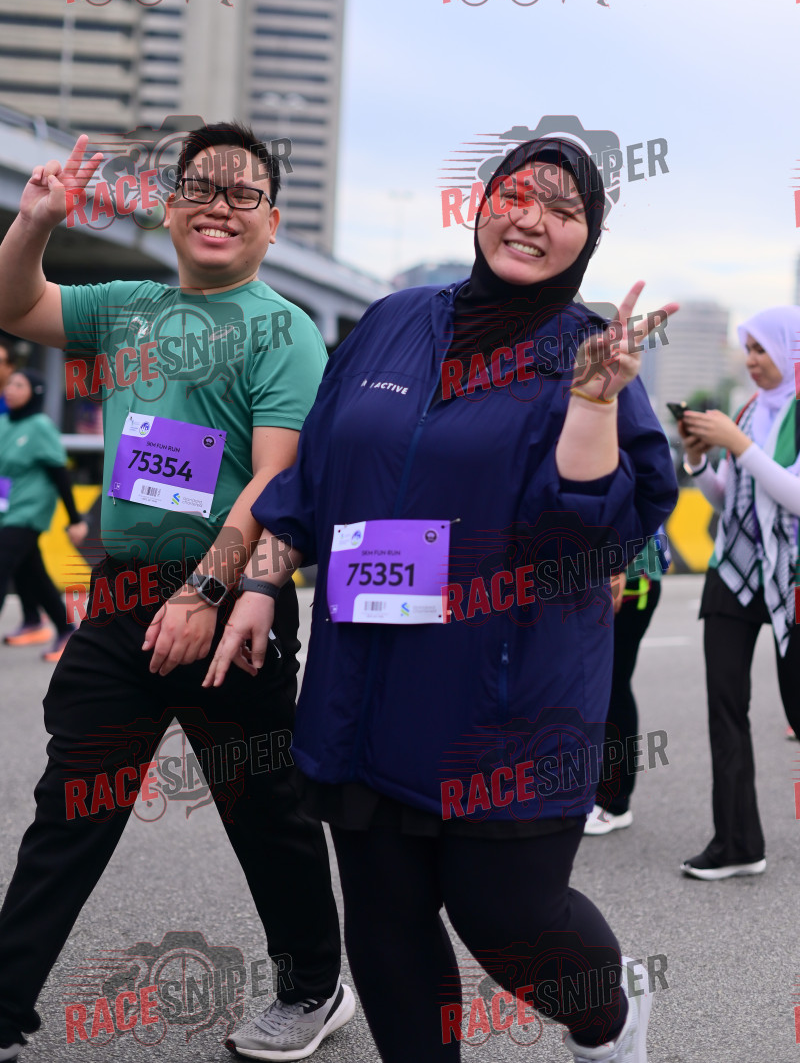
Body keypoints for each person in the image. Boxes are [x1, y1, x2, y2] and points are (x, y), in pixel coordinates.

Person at [206, 138, 679, 1063]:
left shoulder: (588, 351)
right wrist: (262, 578)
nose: (533, 220)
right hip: (365, 686)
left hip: (508, 698)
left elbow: (590, 542)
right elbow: (314, 476)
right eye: (517, 195)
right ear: (482, 205)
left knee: (510, 919)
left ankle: (608, 1017)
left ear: (587, 239)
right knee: (386, 923)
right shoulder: (392, 321)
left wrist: (591, 404)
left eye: (564, 209)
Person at [0, 123, 351, 1062]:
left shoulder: (283, 330)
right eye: (201, 188)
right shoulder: (128, 307)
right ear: (168, 209)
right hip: (121, 600)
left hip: (232, 601)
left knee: (265, 812)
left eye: (243, 194)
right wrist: (35, 223)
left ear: (272, 221)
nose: (219, 207)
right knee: (70, 808)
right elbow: (17, 303)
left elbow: (276, 481)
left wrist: (204, 592)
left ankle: (314, 989)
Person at [678, 307, 800, 880]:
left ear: (789, 350)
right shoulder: (749, 411)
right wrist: (698, 457)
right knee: (725, 708)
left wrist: (740, 444)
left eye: (760, 349)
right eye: (746, 349)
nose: (751, 361)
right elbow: (730, 499)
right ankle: (737, 844)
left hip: (791, 577)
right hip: (733, 571)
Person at [584, 530, 670, 834]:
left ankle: (614, 803)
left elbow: (644, 506)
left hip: (630, 576)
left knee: (613, 685)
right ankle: (591, 794)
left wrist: (617, 566)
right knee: (591, 687)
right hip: (594, 572)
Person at [0, 367, 88, 661]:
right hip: (6, 509)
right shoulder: (3, 423)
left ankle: (56, 628)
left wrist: (75, 520)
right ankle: (57, 628)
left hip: (29, 510)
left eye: (19, 385)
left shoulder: (40, 426)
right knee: (30, 571)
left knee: (3, 564)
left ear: (35, 393)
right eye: (10, 384)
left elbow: (59, 473)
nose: (10, 389)